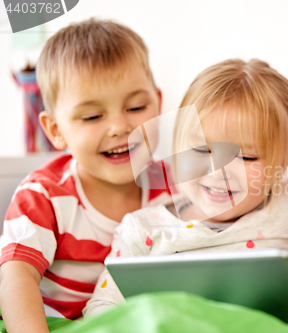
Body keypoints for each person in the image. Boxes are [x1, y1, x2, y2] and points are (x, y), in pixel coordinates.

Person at [83, 59, 288, 317]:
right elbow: (102, 310)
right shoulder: (141, 230)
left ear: (282, 163)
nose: (218, 172)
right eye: (201, 150)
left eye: (246, 156)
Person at [0, 19, 172, 333]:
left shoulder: (177, 187)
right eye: (93, 116)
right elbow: (16, 275)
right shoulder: (44, 196)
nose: (119, 127)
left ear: (158, 104)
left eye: (136, 107)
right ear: (55, 130)